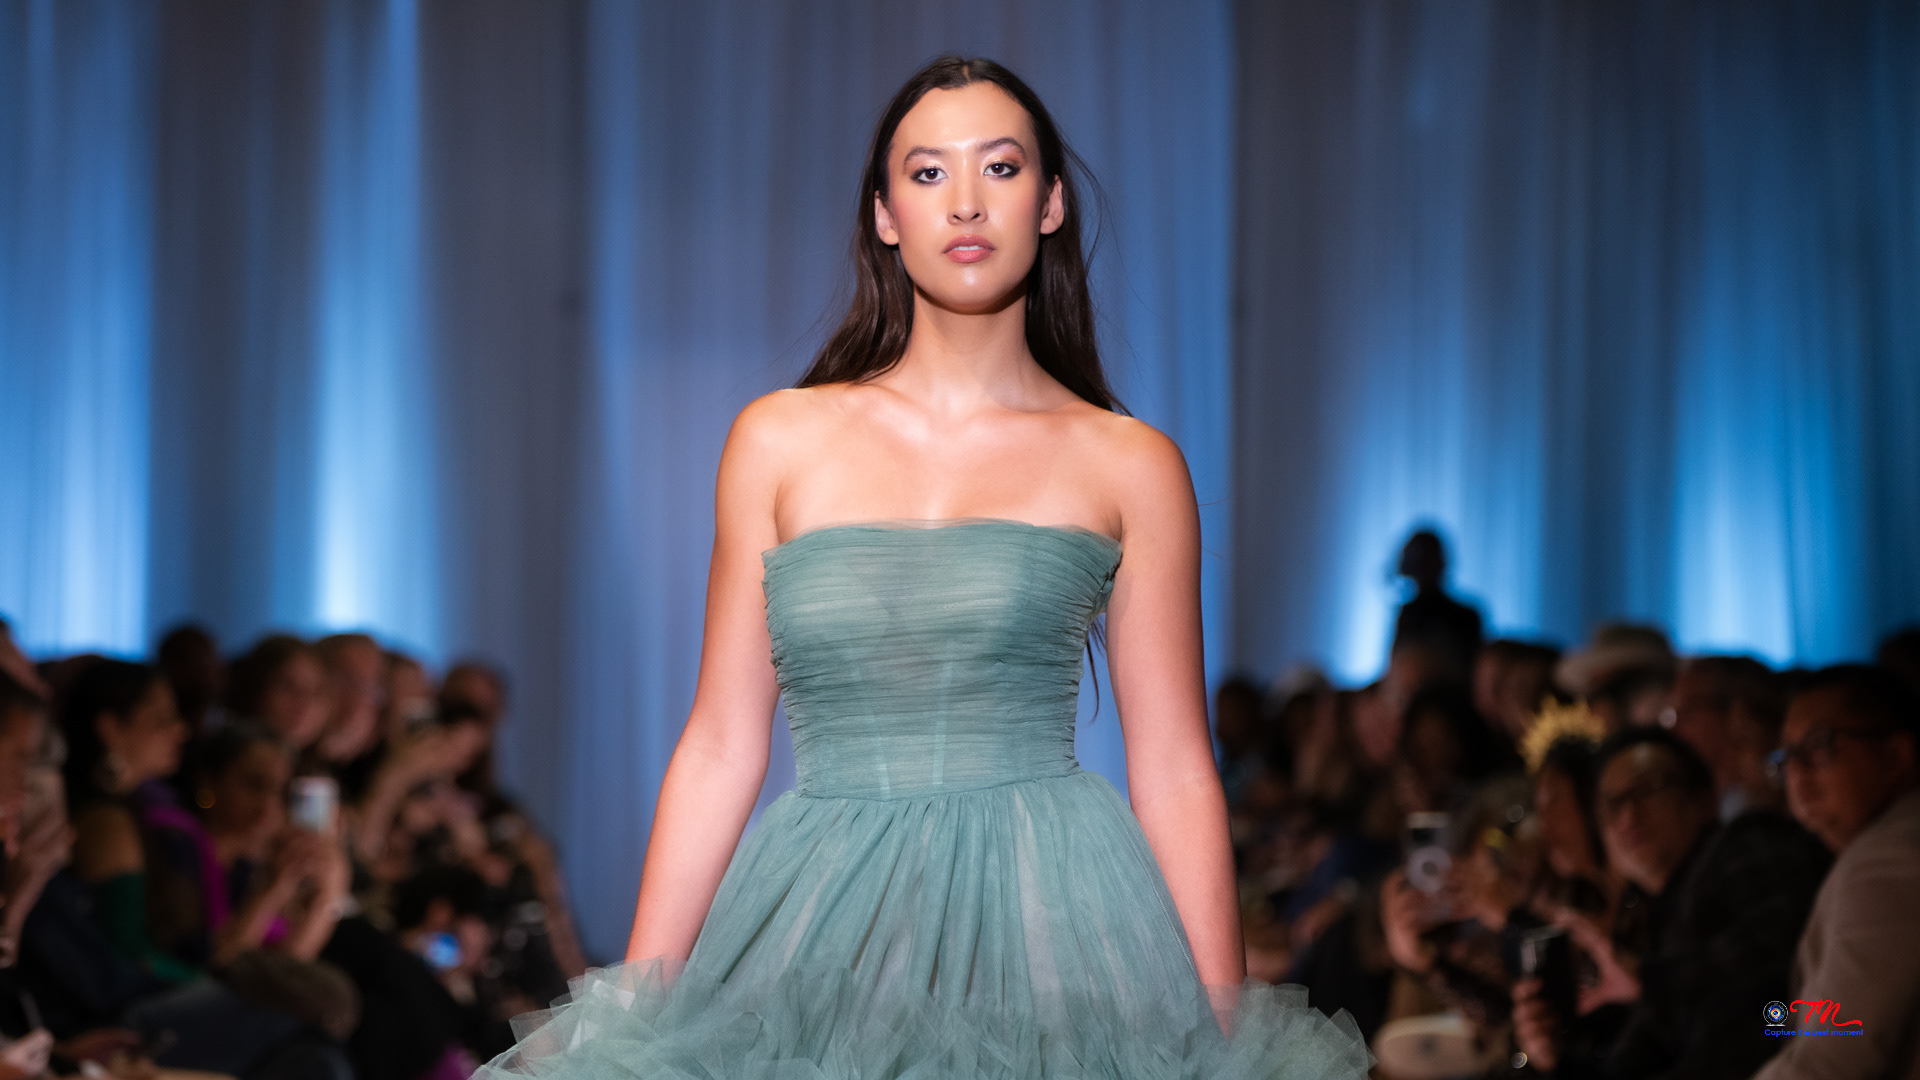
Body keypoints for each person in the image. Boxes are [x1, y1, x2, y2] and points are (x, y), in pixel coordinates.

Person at [477, 56, 1370, 1078]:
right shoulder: (778, 441)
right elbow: (721, 742)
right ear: (885, 214)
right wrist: (629, 1020)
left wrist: (1221, 1032)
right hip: (825, 921)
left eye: (1001, 167)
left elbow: (1172, 764)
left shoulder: (1129, 463)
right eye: (930, 172)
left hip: (1049, 920)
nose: (967, 202)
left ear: (1050, 203)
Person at [1512, 727, 1829, 1080]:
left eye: (1649, 788)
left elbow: (1762, 1004)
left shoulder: (1748, 848)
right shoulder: (1663, 919)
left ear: (1705, 800)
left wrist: (1643, 980)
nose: (1629, 815)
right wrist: (1553, 1058)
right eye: (1613, 804)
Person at [1754, 665, 1920, 1080]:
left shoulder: (1887, 859)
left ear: (1896, 756)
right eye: (1787, 757)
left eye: (1820, 745)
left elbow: (1832, 1060)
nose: (1796, 773)